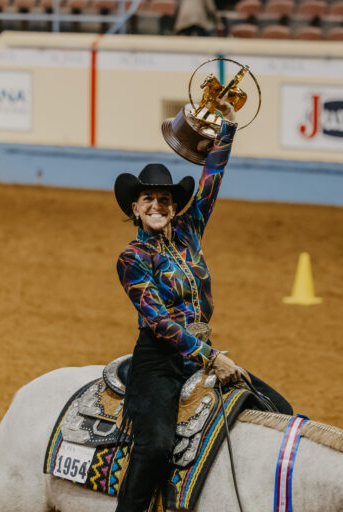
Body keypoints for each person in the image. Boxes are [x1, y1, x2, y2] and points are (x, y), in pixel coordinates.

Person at [113, 115, 292, 512]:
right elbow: (158, 322)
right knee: (155, 445)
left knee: (278, 408)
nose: (157, 205)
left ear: (175, 207)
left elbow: (213, 175)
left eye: (164, 199)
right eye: (148, 200)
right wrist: (211, 357)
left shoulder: (191, 230)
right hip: (159, 362)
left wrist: (226, 127)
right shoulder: (132, 258)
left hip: (202, 356)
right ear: (135, 208)